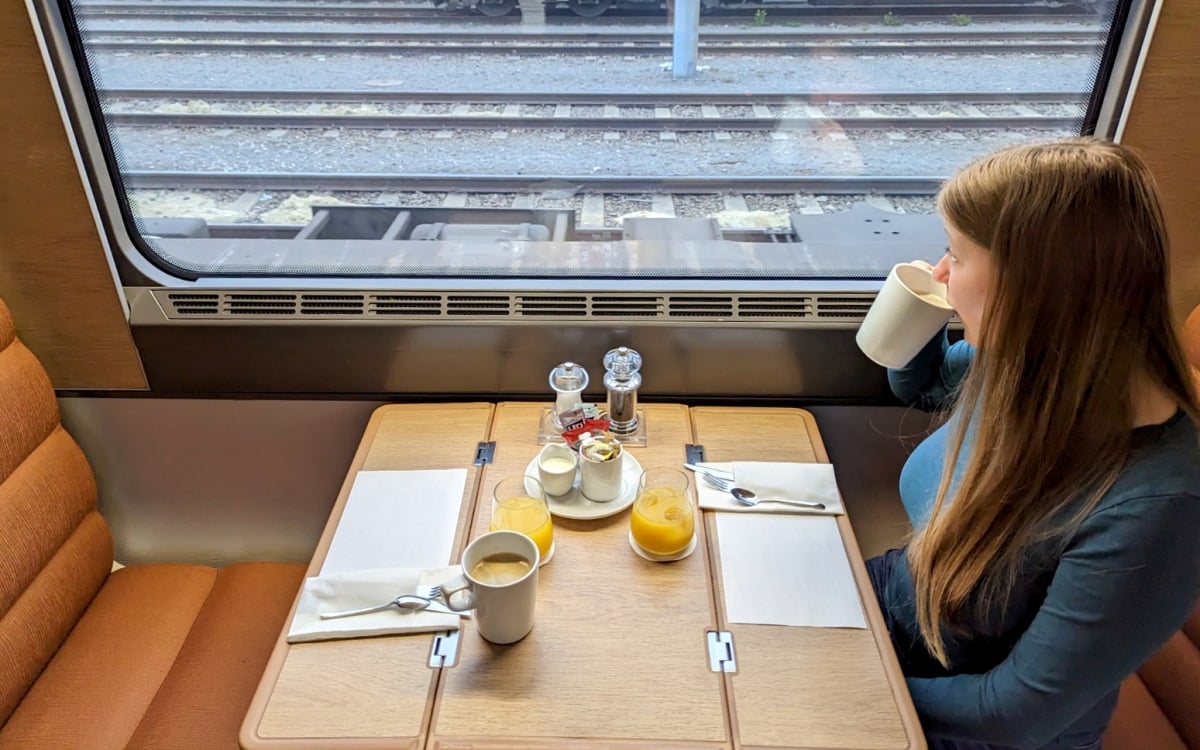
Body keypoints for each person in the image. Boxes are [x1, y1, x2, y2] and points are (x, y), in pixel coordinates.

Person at [868, 137, 1200, 750]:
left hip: (965, 719)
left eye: (957, 257)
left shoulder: (1159, 508)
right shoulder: (1034, 368)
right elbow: (923, 383)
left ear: (1034, 290)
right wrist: (919, 307)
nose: (943, 273)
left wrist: (853, 673)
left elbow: (1013, 712)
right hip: (901, 608)